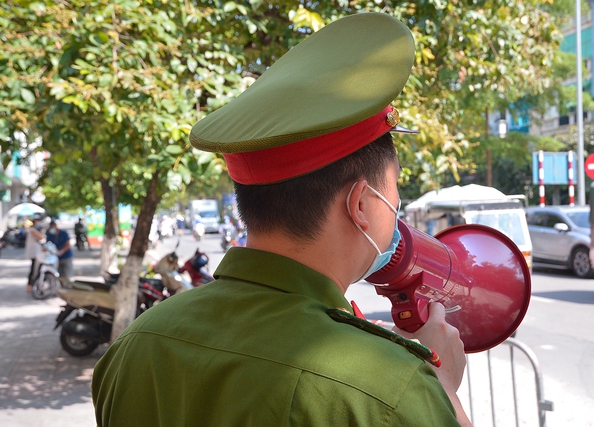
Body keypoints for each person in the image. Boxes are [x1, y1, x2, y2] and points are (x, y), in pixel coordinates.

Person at [92, 13, 471, 427]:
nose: (396, 202)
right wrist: (442, 390)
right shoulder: (389, 392)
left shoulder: (134, 346)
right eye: (395, 185)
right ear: (361, 203)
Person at [24, 216, 45, 293]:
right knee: (34, 270)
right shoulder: (32, 230)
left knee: (38, 269)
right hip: (34, 253)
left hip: (38, 253)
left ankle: (35, 284)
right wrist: (42, 230)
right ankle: (30, 285)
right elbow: (40, 237)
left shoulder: (35, 230)